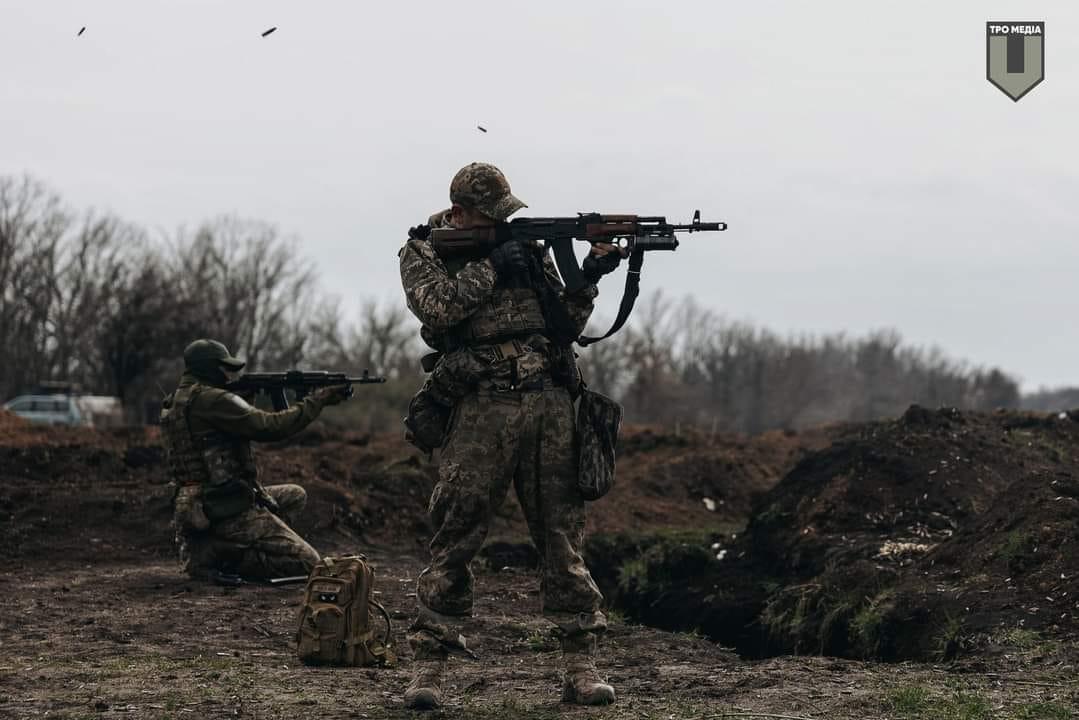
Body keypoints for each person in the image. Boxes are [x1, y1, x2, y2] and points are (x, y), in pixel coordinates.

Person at [398, 163, 623, 709]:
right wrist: (492, 266)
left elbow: (565, 325)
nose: (502, 224)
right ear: (460, 213)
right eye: (491, 216)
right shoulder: (425, 251)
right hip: (482, 406)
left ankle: (580, 666)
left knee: (562, 537)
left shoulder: (526, 250)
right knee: (456, 531)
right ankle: (430, 667)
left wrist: (589, 275)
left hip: (549, 401)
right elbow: (439, 309)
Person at [160, 339, 350, 581]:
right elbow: (272, 427)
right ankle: (221, 552)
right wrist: (317, 400)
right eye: (224, 368)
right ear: (209, 368)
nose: (228, 375)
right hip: (227, 507)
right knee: (308, 563)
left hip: (200, 503)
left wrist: (244, 402)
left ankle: (235, 542)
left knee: (295, 495)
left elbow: (217, 437)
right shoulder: (213, 400)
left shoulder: (176, 401)